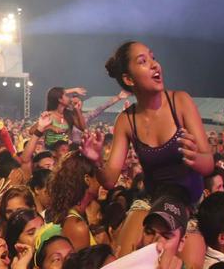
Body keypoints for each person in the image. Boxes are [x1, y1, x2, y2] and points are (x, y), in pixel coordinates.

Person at [82, 41, 213, 205]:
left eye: (153, 58)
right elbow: (109, 181)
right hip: (154, 203)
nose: (155, 65)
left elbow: (209, 164)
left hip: (190, 204)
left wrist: (195, 158)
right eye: (143, 61)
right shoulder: (126, 120)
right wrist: (97, 161)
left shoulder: (180, 101)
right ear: (129, 79)